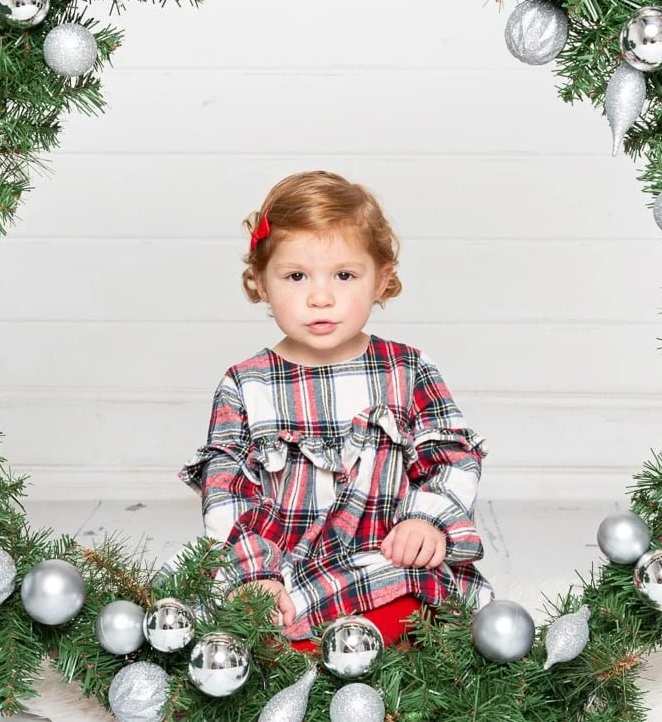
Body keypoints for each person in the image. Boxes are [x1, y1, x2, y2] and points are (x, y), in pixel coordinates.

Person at [179, 170, 492, 652]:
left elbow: (451, 459)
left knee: (420, 595)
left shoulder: (406, 369)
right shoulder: (246, 384)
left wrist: (426, 521)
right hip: (284, 568)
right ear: (260, 282)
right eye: (296, 276)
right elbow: (228, 493)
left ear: (381, 279)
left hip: (382, 555)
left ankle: (371, 646)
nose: (320, 296)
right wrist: (256, 574)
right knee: (235, 622)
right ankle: (300, 655)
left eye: (344, 275)